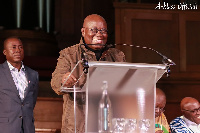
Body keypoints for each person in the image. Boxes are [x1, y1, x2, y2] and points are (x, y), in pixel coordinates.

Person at [51, 14, 126, 132]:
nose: (99, 34)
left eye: (103, 31)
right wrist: (64, 80)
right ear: (83, 31)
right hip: (78, 126)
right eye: (94, 30)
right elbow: (55, 82)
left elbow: (126, 84)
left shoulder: (117, 56)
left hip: (107, 125)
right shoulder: (69, 54)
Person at [0, 37, 39, 133]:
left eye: (20, 47)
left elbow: (32, 100)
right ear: (5, 52)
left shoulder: (33, 74)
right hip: (5, 127)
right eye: (13, 47)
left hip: (27, 127)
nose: (18, 50)